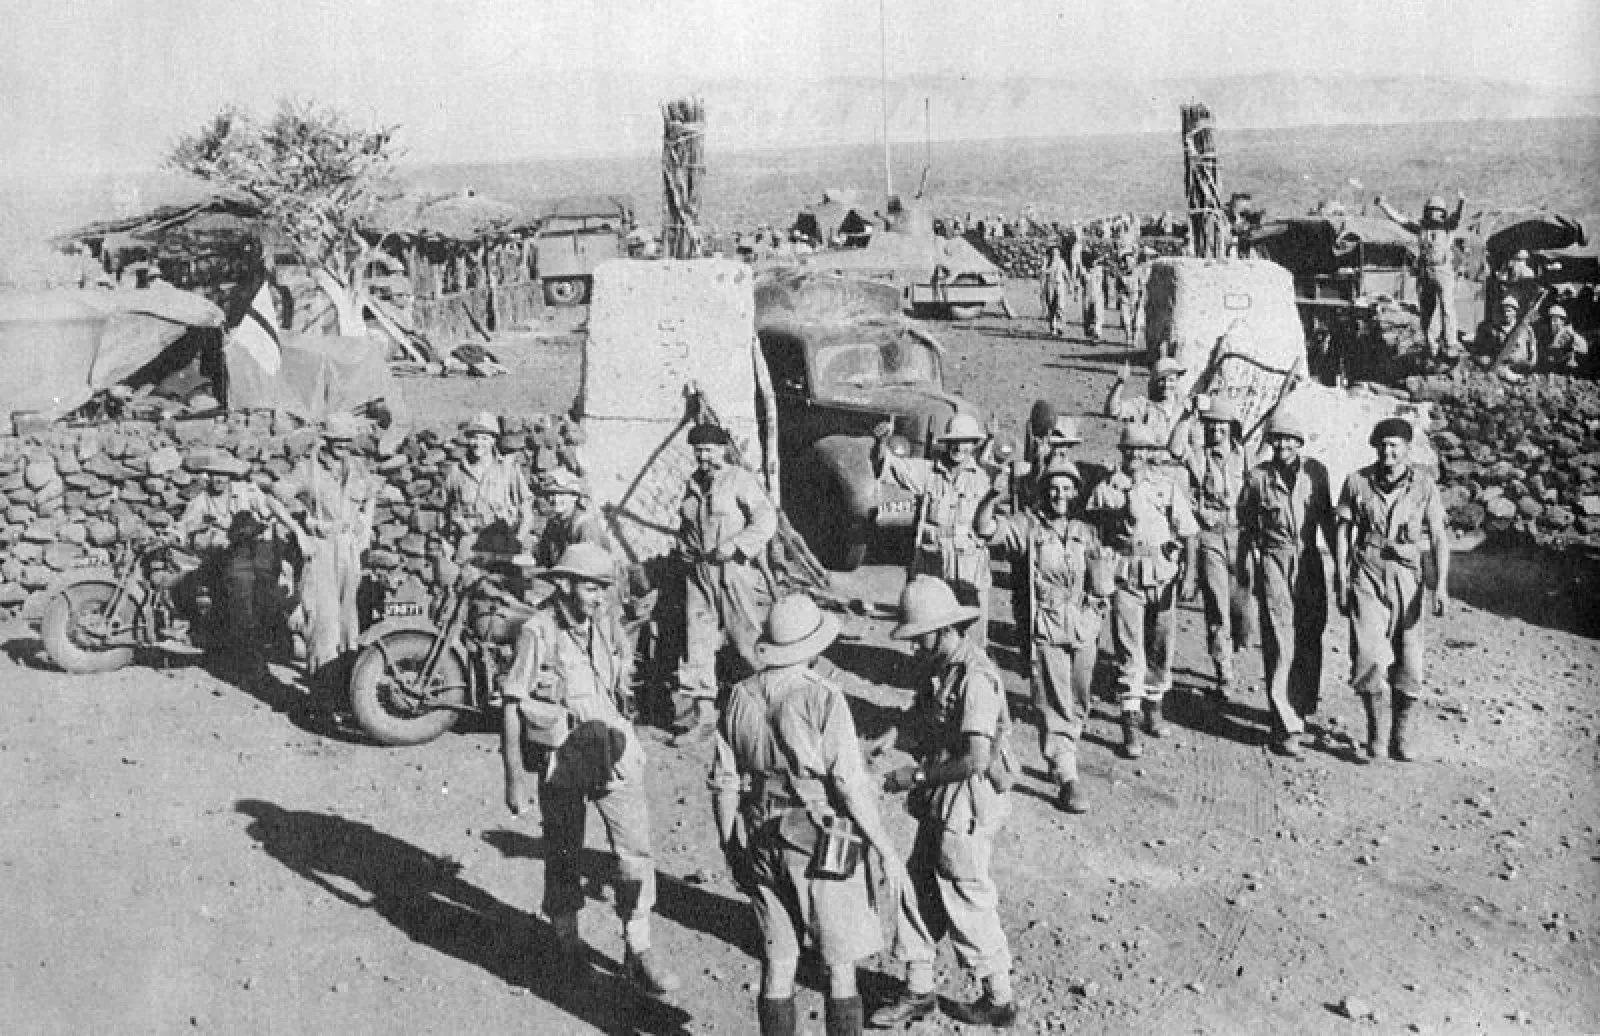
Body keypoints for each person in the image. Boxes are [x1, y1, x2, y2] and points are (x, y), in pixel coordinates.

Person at [708, 595, 908, 1036]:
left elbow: (724, 781)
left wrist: (731, 846)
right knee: (839, 968)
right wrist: (885, 848)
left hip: (759, 836)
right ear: (813, 647)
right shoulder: (823, 697)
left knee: (778, 965)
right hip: (819, 841)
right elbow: (849, 785)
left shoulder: (738, 696)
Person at [500, 543, 681, 996]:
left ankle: (637, 948)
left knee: (634, 849)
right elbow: (512, 702)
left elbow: (624, 683)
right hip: (562, 760)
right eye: (589, 586)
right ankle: (566, 943)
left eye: (604, 587)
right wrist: (514, 776)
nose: (599, 596)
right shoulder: (538, 630)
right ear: (563, 584)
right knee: (563, 850)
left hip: (613, 753)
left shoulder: (605, 623)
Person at [874, 576, 1018, 1029]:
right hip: (942, 796)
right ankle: (918, 987)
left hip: (967, 803)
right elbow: (924, 715)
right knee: (917, 886)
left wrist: (911, 776)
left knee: (965, 894)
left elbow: (975, 759)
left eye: (919, 639)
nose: (914, 648)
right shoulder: (941, 666)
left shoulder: (976, 676)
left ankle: (999, 996)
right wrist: (893, 736)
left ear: (942, 630)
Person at [976, 454, 1109, 814]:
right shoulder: (1027, 527)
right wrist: (992, 497)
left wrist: (1097, 607)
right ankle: (1065, 772)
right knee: (1054, 698)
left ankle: (1069, 749)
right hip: (1046, 626)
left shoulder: (1086, 531)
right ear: (1042, 492)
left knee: (1079, 697)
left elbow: (1101, 576)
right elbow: (986, 530)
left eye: (1066, 489)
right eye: (1052, 489)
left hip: (1082, 627)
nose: (1059, 495)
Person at [1334, 417, 1450, 763]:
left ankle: (1400, 734)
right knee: (1368, 654)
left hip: (1408, 575)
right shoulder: (1357, 482)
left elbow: (1439, 537)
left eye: (1395, 445)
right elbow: (1343, 534)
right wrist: (1341, 579)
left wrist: (1439, 586)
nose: (1388, 451)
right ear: (1375, 446)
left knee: (1410, 659)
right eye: (1383, 444)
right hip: (1367, 571)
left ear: (1407, 448)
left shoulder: (1424, 486)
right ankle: (1375, 734)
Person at [1086, 424, 1199, 760]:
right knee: (1128, 650)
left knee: (1162, 648)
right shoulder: (1109, 487)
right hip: (1125, 575)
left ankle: (1154, 707)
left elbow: (1189, 532)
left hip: (1162, 575)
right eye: (1129, 449)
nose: (1135, 455)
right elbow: (1092, 525)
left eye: (1142, 449)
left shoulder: (1166, 486)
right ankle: (1129, 723)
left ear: (1151, 453)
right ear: (1121, 453)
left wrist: (1190, 575)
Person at [1238, 410, 1336, 758]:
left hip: (1309, 561)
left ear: (1299, 443)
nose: (1282, 445)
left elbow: (1327, 521)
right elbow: (1246, 527)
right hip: (1275, 561)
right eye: (1276, 439)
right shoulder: (1257, 478)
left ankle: (1302, 706)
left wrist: (1340, 566)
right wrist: (1246, 571)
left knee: (1310, 635)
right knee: (1281, 639)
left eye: (1289, 439)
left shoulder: (1316, 474)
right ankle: (1286, 724)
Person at [674, 422, 777, 742]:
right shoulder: (693, 484)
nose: (703, 457)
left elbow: (766, 519)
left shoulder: (739, 481)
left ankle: (769, 707)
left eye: (709, 450)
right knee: (698, 641)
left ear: (722, 450)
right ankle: (701, 716)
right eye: (698, 451)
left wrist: (737, 545)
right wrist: (683, 547)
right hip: (700, 573)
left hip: (733, 571)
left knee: (747, 638)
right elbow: (687, 524)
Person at [168, 447, 301, 677]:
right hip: (226, 560)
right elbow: (183, 527)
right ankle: (237, 654)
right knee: (235, 599)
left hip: (258, 555)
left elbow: (268, 511)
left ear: (230, 476)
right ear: (208, 476)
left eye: (223, 474)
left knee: (264, 598)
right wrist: (174, 535)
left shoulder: (247, 491)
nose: (219, 479)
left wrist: (261, 526)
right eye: (214, 474)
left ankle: (269, 645)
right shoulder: (202, 501)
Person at [872, 412, 997, 648]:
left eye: (965, 441)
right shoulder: (929, 473)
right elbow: (891, 467)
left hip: (968, 572)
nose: (958, 447)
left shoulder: (983, 479)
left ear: (973, 445)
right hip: (933, 568)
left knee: (971, 638)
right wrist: (881, 444)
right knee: (932, 634)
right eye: (953, 441)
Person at [280, 413, 377, 688]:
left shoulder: (355, 468)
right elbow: (275, 497)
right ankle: (321, 693)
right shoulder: (307, 469)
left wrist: (365, 528)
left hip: (349, 546)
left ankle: (346, 688)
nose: (343, 447)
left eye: (347, 441)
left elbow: (371, 495)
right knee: (324, 621)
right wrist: (300, 532)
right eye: (337, 442)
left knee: (349, 620)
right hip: (321, 546)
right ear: (326, 440)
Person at [1168, 396, 1250, 703]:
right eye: (1211, 423)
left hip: (1240, 538)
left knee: (1242, 609)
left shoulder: (1244, 456)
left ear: (1232, 428)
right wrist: (1187, 416)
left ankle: (1235, 646)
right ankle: (1224, 671)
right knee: (1218, 607)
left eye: (1222, 424)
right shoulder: (1198, 456)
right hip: (1210, 538)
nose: (1216, 429)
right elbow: (1175, 448)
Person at [1376, 192, 1465, 358]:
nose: (1434, 213)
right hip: (1426, 271)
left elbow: (1458, 217)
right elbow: (1399, 219)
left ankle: (1451, 343)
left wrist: (1462, 201)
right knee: (1426, 310)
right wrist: (1383, 206)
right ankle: (1431, 344)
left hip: (1443, 270)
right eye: (1431, 210)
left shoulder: (1448, 227)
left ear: (1443, 212)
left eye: (1438, 210)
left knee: (1447, 306)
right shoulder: (1421, 228)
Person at [441, 412, 534, 556]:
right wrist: (448, 545)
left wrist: (517, 541)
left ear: (493, 440)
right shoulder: (457, 472)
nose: (478, 443)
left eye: (484, 438)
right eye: (474, 438)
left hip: (501, 543)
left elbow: (527, 513)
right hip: (468, 543)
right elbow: (445, 511)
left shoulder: (508, 469)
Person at [533, 467, 611, 569]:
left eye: (561, 494)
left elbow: (592, 570)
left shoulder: (585, 525)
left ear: (574, 497)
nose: (555, 499)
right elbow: (543, 558)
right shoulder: (554, 523)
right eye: (552, 494)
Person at [1471, 296, 1536, 371]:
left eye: (1509, 311)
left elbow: (1532, 349)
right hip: (1499, 368)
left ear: (1515, 312)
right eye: (1503, 311)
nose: (1506, 314)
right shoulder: (1492, 329)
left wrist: (1531, 364)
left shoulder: (1525, 329)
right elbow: (1478, 349)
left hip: (1520, 368)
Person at [1543, 304, 1589, 373]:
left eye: (1555, 321)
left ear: (1562, 321)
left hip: (1570, 368)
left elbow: (1584, 348)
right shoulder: (1556, 334)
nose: (1552, 323)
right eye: (1551, 321)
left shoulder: (1566, 333)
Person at [1039, 245, 1071, 337]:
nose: (1055, 254)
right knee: (1051, 307)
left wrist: (1069, 285)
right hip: (1050, 285)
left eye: (1057, 253)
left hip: (1060, 285)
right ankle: (1053, 328)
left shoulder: (1062, 262)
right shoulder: (1048, 263)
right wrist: (1044, 264)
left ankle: (1060, 327)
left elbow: (1066, 273)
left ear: (1059, 253)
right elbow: (1042, 273)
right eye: (1053, 253)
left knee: (1060, 306)